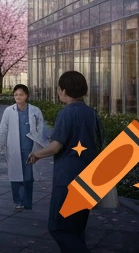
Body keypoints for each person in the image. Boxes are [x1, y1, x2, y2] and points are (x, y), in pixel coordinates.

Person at [28, 70, 102, 253]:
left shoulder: (66, 113)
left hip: (68, 178)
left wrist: (36, 154)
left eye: (58, 89)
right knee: (76, 228)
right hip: (90, 176)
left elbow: (55, 146)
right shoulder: (92, 113)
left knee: (59, 228)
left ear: (64, 90)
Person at [0, 84, 44, 212]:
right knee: (15, 175)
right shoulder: (9, 111)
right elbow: (3, 128)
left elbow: (40, 128)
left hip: (30, 148)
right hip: (13, 148)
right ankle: (17, 201)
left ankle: (27, 202)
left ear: (26, 96)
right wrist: (1, 143)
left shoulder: (35, 111)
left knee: (28, 176)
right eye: (16, 95)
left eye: (21, 94)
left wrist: (39, 146)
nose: (18, 97)